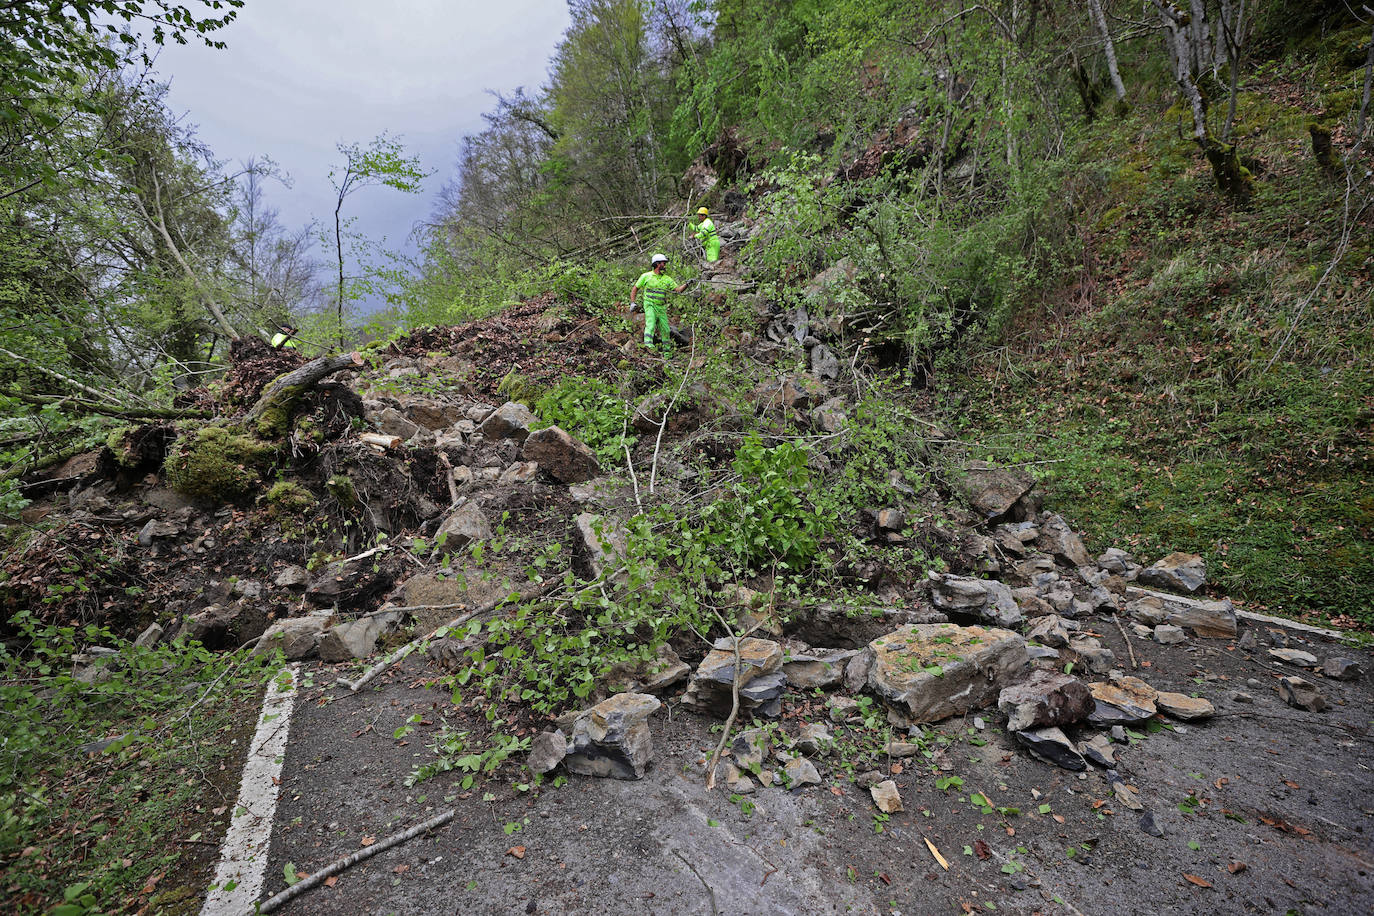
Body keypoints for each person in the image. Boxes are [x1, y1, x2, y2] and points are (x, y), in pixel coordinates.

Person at [630, 254, 686, 355]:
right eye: (663, 263)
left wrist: (687, 284)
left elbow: (678, 290)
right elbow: (635, 288)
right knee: (651, 323)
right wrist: (633, 302)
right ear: (657, 264)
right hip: (649, 304)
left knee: (665, 328)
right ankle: (648, 346)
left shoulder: (667, 279)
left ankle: (667, 352)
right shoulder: (646, 276)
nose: (665, 265)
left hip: (661, 307)